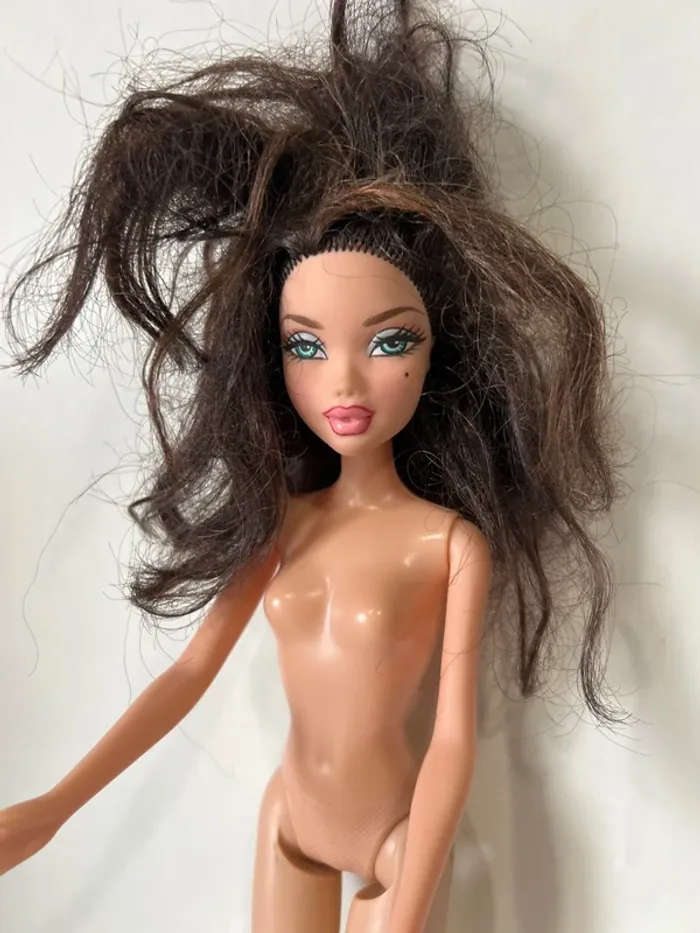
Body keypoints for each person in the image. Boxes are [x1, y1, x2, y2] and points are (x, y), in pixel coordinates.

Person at [0, 1, 623, 930]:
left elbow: (453, 742)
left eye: (389, 341)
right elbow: (189, 674)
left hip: (394, 841)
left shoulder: (448, 544)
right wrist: (56, 805)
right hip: (288, 818)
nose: (343, 381)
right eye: (305, 345)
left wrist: (407, 907)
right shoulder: (284, 522)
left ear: (441, 353)